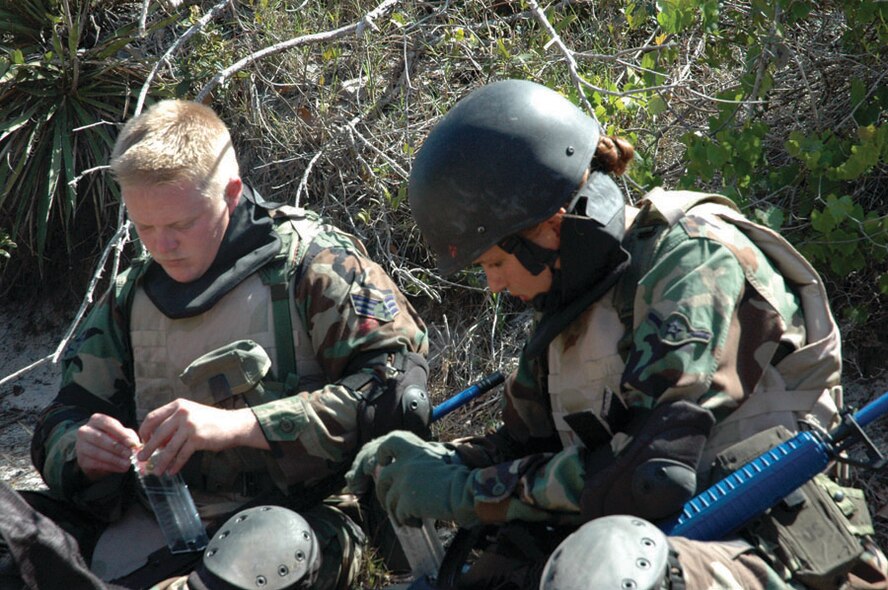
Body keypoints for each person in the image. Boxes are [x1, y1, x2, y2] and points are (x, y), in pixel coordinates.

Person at [348, 79, 888, 589]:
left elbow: (651, 474)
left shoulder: (692, 260)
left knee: (608, 566)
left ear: (551, 230)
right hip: (668, 546)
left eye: (491, 262)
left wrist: (465, 493)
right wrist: (433, 463)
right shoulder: (573, 300)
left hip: (777, 555)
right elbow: (520, 448)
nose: (492, 286)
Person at [17, 99, 430, 589]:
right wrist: (79, 449)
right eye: (144, 227)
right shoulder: (133, 294)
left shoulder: (313, 265)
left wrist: (243, 425)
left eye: (180, 225)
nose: (161, 245)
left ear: (231, 193)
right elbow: (61, 418)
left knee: (269, 552)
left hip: (302, 521)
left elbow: (396, 394)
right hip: (155, 524)